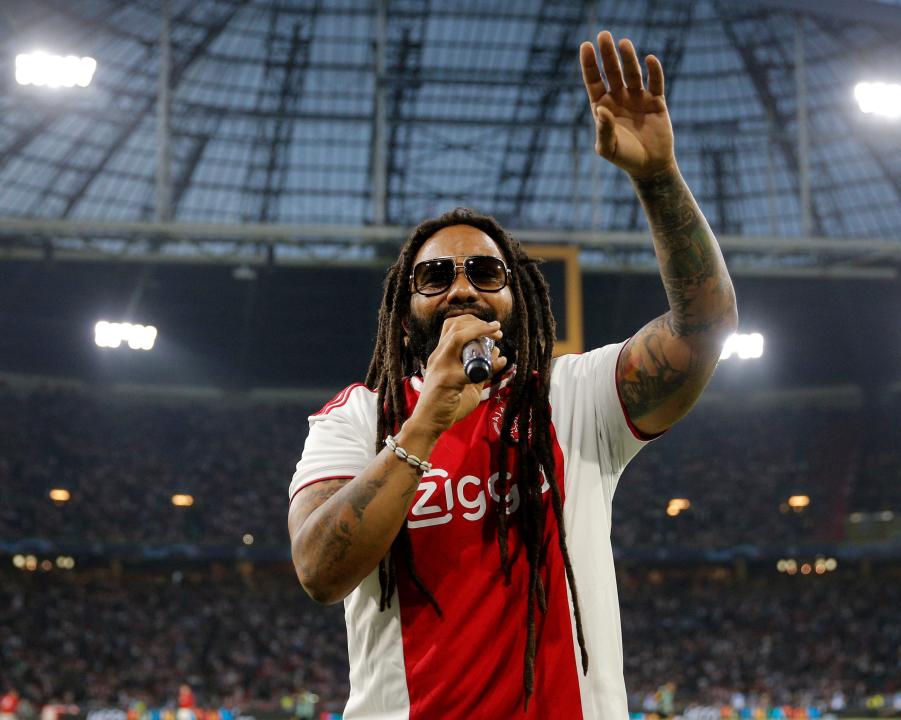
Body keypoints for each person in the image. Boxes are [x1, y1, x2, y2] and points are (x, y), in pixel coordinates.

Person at [288, 31, 737, 719]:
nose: (462, 287)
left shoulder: (574, 395)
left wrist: (656, 180)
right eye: (435, 275)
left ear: (516, 296)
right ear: (404, 309)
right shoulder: (355, 416)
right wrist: (425, 424)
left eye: (486, 271)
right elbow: (319, 571)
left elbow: (703, 330)